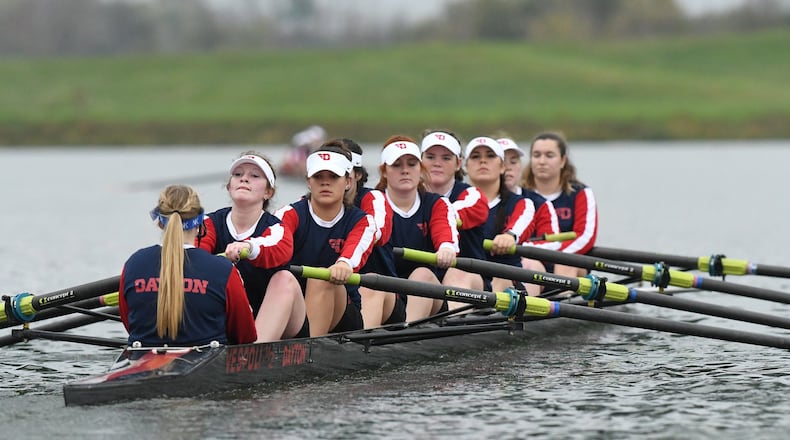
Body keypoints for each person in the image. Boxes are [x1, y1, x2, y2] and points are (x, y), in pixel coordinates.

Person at [119, 184, 257, 347]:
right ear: (200, 223)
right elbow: (245, 335)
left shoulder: (134, 264)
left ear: (160, 223)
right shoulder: (223, 270)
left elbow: (129, 322)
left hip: (142, 356)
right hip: (208, 363)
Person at [198, 151, 308, 342]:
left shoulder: (277, 229)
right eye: (238, 175)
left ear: (268, 192)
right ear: (229, 186)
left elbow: (277, 249)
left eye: (255, 176)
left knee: (285, 278)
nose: (244, 179)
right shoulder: (208, 224)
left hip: (282, 322)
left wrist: (247, 247)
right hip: (230, 321)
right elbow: (194, 255)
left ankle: (254, 352)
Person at [276, 144, 378, 336]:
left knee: (321, 278)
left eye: (333, 177)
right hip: (294, 304)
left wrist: (344, 264)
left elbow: (353, 254)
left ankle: (308, 354)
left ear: (348, 181)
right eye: (318, 177)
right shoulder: (289, 214)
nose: (325, 183)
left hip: (343, 312)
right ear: (308, 181)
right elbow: (273, 245)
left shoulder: (362, 221)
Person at [375, 135, 460, 320]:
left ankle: (406, 333)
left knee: (422, 274)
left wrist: (446, 248)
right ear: (383, 171)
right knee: (373, 282)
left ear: (420, 170)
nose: (405, 170)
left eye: (412, 164)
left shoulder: (437, 204)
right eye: (397, 165)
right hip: (387, 293)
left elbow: (445, 233)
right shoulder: (373, 202)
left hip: (429, 295)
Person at [465, 136, 552, 295]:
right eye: (476, 156)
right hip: (469, 281)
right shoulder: (453, 202)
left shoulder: (522, 204)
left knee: (505, 276)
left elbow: (519, 226)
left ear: (502, 167)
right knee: (457, 275)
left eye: (490, 156)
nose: (483, 161)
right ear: (465, 166)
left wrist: (509, 236)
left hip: (506, 279)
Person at [340, 138, 406, 328]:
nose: (328, 181)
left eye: (338, 173)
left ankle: (359, 347)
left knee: (368, 288)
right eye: (321, 175)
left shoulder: (374, 198)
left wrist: (344, 260)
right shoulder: (307, 206)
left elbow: (376, 233)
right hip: (337, 294)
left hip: (379, 292)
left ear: (356, 175)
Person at [420, 129, 488, 299]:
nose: (437, 163)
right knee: (421, 275)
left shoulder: (473, 196)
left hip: (469, 279)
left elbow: (443, 213)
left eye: (446, 158)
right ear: (419, 161)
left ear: (458, 163)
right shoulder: (406, 196)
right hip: (423, 279)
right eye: (430, 157)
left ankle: (445, 322)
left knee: (455, 274)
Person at [520, 131, 598, 278]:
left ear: (563, 161)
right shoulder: (519, 195)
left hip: (569, 260)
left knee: (565, 264)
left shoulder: (580, 193)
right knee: (527, 264)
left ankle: (564, 298)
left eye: (549, 155)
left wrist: (553, 254)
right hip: (529, 261)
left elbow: (585, 236)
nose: (542, 161)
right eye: (536, 155)